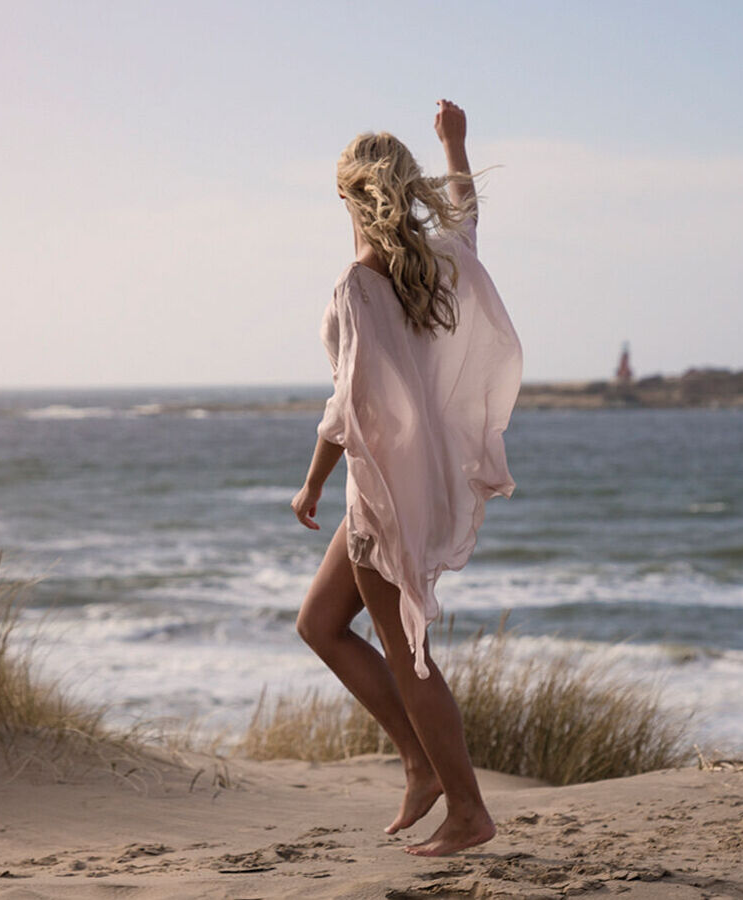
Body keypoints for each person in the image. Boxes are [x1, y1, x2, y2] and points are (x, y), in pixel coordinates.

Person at [290, 99, 523, 857]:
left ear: (346, 195)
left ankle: (467, 809)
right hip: (405, 482)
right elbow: (465, 214)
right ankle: (420, 764)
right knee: (320, 625)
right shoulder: (433, 262)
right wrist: (457, 143)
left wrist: (312, 484)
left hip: (378, 491)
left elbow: (345, 407)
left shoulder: (359, 283)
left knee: (405, 647)